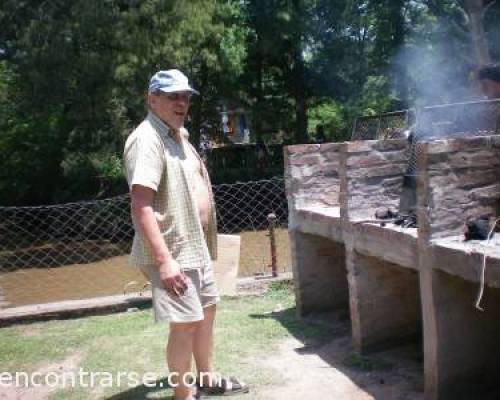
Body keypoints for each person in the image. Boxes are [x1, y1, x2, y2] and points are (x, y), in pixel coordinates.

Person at [123, 69, 248, 400]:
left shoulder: (177, 135)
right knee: (185, 323)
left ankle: (206, 380)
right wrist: (165, 262)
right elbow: (141, 205)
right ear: (152, 100)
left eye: (185, 96)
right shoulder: (147, 140)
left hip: (194, 246)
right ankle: (183, 395)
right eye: (172, 96)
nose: (182, 102)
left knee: (206, 313)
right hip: (173, 251)